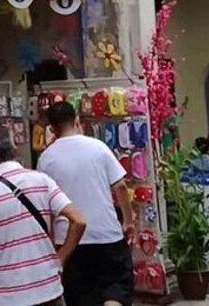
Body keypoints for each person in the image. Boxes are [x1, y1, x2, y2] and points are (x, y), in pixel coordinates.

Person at [0, 124, 87, 306]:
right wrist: (60, 258)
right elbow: (79, 221)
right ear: (14, 149)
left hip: (11, 295)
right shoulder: (42, 180)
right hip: (50, 288)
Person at [37, 102, 137, 306]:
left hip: (70, 239)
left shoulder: (46, 158)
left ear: (52, 129)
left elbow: (45, 203)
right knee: (115, 289)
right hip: (106, 233)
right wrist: (128, 220)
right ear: (77, 121)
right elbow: (120, 186)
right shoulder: (99, 148)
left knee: (81, 295)